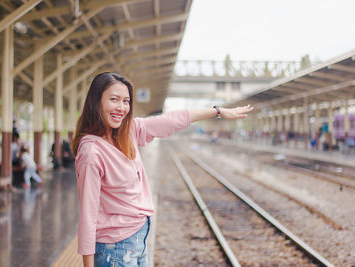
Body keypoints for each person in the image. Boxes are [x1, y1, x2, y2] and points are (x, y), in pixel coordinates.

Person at [71, 72, 253, 267]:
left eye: (126, 101)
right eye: (114, 99)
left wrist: (217, 111)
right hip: (114, 249)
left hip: (138, 238)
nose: (121, 107)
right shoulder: (91, 152)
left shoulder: (128, 131)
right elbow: (88, 216)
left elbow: (171, 120)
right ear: (96, 101)